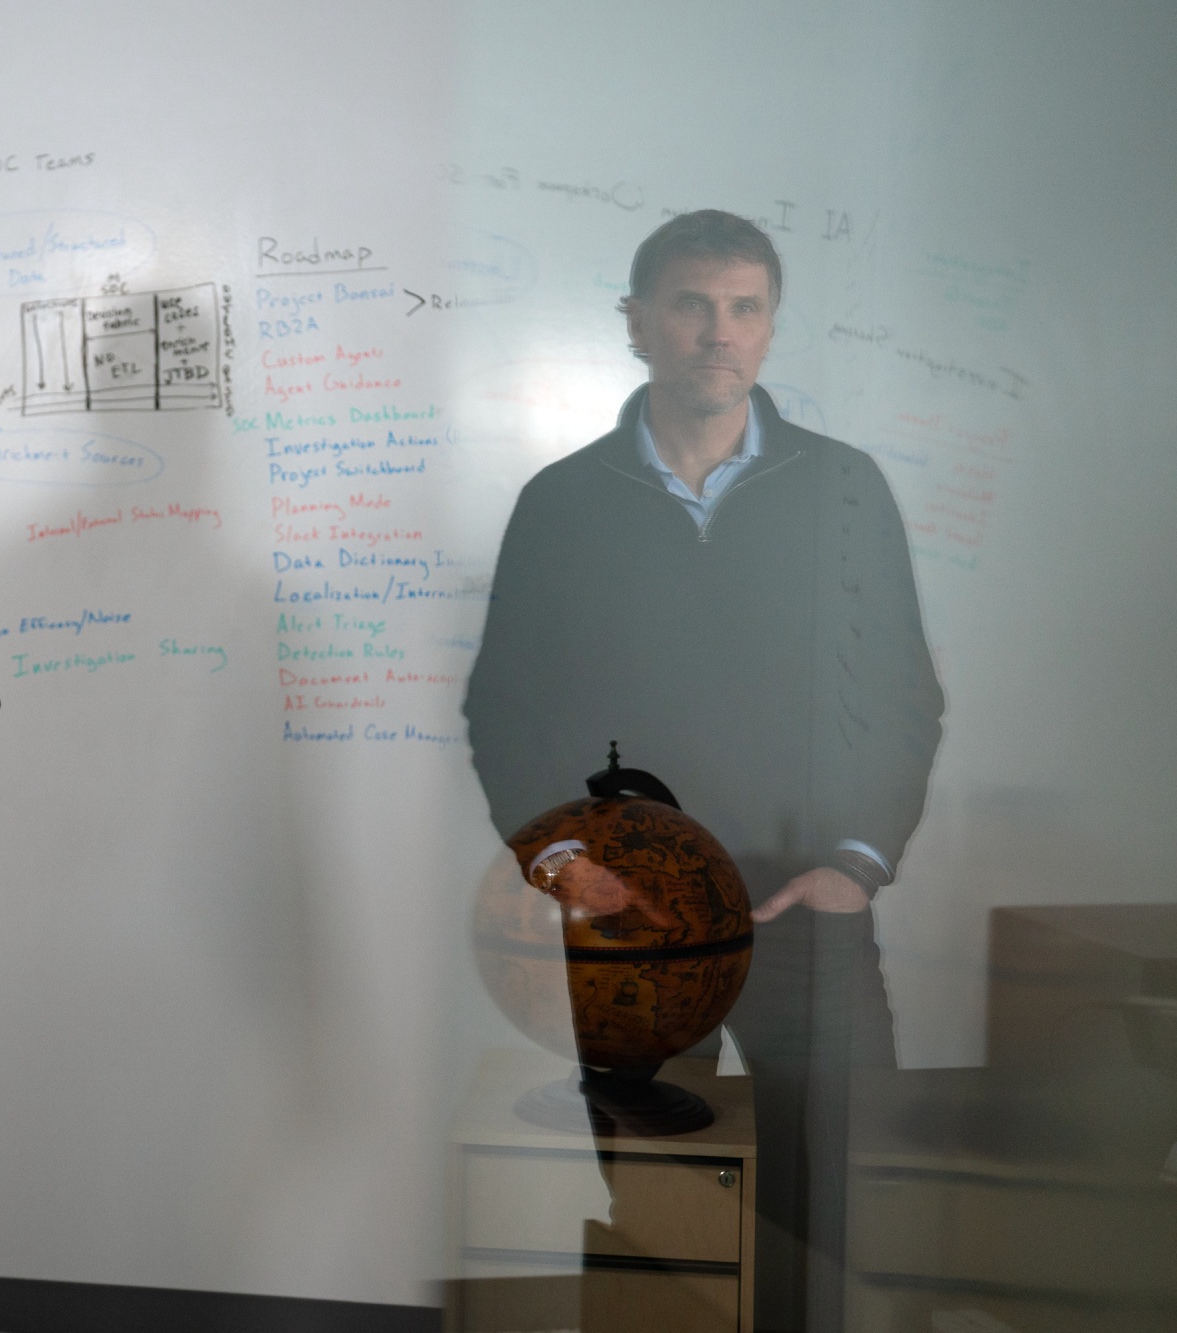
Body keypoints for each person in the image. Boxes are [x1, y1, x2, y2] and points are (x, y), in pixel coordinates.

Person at [463, 210, 943, 1333]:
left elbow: (901, 699)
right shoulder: (561, 501)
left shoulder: (843, 491)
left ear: (770, 328)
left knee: (831, 1218)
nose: (714, 333)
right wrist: (566, 863)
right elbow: (506, 707)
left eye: (742, 307)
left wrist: (857, 865)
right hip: (636, 931)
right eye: (687, 303)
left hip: (808, 914)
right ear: (635, 324)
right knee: (658, 1223)